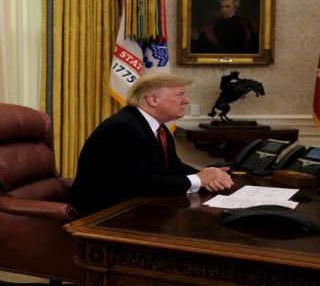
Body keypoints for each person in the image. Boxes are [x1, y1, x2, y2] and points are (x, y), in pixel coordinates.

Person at [70, 72, 234, 216]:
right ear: (153, 99)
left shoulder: (158, 127)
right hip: (105, 214)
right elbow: (138, 184)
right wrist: (199, 179)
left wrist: (208, 175)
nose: (186, 101)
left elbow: (172, 167)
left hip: (137, 207)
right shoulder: (123, 128)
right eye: (179, 95)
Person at [191, 0, 259, 54]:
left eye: (227, 6)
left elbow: (254, 44)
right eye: (221, 6)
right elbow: (203, 46)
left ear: (235, 8)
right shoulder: (211, 24)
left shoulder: (245, 23)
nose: (223, 9)